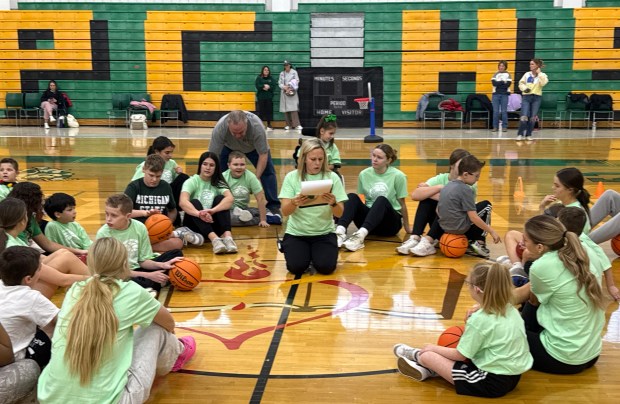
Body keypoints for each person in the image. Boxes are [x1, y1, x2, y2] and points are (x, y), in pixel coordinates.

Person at [37, 237, 197, 404]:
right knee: (156, 328)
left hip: (50, 398)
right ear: (124, 264)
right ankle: (177, 353)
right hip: (112, 401)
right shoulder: (132, 292)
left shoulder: (75, 290)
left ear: (90, 263)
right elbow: (169, 323)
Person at [394, 263, 532, 398]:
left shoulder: (479, 319)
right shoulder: (510, 309)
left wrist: (432, 348)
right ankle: (430, 370)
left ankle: (418, 356)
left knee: (428, 355)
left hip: (489, 381)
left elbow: (460, 355)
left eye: (468, 283)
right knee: (467, 348)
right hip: (514, 376)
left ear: (477, 289)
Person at [517, 215, 606, 374]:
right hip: (591, 353)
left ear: (539, 247)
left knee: (503, 332)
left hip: (562, 358)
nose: (522, 244)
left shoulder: (542, 266)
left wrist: (485, 306)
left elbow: (530, 300)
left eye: (526, 240)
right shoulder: (583, 249)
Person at [499, 167, 591, 278]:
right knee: (512, 235)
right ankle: (517, 265)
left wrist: (532, 245)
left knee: (527, 252)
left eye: (557, 186)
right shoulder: (563, 203)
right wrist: (542, 206)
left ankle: (520, 269)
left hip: (561, 251)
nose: (553, 188)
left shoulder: (573, 212)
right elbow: (541, 226)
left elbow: (560, 242)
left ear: (570, 190)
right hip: (551, 242)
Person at [278, 138, 347, 276]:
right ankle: (300, 252)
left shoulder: (332, 177)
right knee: (296, 268)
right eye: (313, 159)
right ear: (303, 158)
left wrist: (333, 203)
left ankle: (316, 255)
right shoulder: (292, 177)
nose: (317, 163)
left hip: (324, 233)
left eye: (320, 159)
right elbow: (285, 212)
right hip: (297, 234)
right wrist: (294, 202)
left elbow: (339, 214)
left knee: (326, 268)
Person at [410, 155, 500, 257]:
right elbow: (473, 217)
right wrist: (492, 232)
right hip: (459, 228)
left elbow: (438, 210)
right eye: (476, 176)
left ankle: (428, 240)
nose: (478, 179)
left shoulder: (446, 186)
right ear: (465, 174)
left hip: (444, 227)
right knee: (486, 205)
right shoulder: (466, 190)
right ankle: (480, 243)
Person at [96, 194, 183, 291]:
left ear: (128, 216)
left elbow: (143, 261)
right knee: (122, 282)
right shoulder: (103, 234)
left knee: (176, 254)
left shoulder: (140, 227)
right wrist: (149, 275)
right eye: (106, 214)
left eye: (114, 215)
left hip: (137, 269)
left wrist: (162, 265)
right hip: (118, 274)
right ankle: (158, 281)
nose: (108, 219)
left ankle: (155, 282)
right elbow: (112, 272)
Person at [336, 144, 410, 252]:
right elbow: (364, 200)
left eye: (379, 157)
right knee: (351, 197)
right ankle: (339, 232)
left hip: (389, 224)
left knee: (381, 200)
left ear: (388, 160)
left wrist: (407, 227)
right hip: (370, 223)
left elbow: (402, 204)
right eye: (373, 155)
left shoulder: (398, 176)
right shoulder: (364, 174)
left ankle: (360, 237)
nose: (374, 159)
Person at [397, 149, 473, 254]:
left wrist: (433, 193)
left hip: (456, 224)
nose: (464, 168)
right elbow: (415, 195)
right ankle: (415, 238)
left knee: (442, 202)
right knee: (426, 199)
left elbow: (461, 207)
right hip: (439, 222)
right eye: (461, 164)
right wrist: (439, 187)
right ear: (451, 165)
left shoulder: (470, 183)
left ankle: (429, 242)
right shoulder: (440, 179)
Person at [208, 110, 281, 218]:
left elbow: (263, 154)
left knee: (268, 172)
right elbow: (212, 156)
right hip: (228, 147)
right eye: (234, 133)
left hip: (253, 148)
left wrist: (255, 180)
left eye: (241, 132)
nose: (237, 136)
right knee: (220, 174)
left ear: (246, 124)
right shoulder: (220, 127)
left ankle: (273, 206)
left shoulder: (257, 127)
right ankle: (220, 203)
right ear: (228, 125)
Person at [125, 154, 203, 251]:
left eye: (158, 176)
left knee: (178, 244)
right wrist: (145, 213)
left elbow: (173, 210)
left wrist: (167, 225)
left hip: (157, 231)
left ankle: (143, 248)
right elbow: (124, 213)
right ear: (144, 169)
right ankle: (174, 235)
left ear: (162, 172)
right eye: (151, 175)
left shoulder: (165, 187)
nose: (154, 179)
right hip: (138, 230)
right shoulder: (133, 187)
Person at [0, 246, 58, 370]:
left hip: (4, 352)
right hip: (15, 360)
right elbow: (62, 319)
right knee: (52, 325)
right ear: (28, 279)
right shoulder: (31, 297)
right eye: (39, 270)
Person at [179, 152, 238, 254]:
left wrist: (212, 211)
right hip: (195, 226)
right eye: (205, 164)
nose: (208, 168)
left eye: (211, 165)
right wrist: (200, 214)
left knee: (221, 199)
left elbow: (230, 199)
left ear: (216, 168)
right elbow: (182, 202)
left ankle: (228, 238)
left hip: (212, 223)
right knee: (194, 202)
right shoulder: (192, 181)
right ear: (200, 165)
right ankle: (215, 240)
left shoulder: (218, 183)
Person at [556, 207, 619, 300]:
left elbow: (603, 257)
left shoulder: (583, 241)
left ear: (561, 225)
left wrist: (611, 286)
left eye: (557, 219)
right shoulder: (578, 237)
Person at [130, 136, 189, 211]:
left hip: (167, 194)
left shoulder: (172, 163)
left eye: (171, 152)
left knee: (184, 177)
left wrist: (179, 173)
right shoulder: (145, 165)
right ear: (157, 152)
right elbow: (134, 184)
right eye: (167, 153)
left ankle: (176, 207)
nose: (170, 156)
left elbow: (178, 184)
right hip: (150, 195)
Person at [223, 151, 270, 227]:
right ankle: (264, 216)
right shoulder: (223, 177)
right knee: (227, 220)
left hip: (244, 208)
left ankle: (259, 215)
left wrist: (263, 220)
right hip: (228, 209)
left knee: (255, 214)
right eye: (235, 164)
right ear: (229, 165)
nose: (239, 167)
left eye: (242, 164)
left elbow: (260, 199)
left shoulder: (251, 177)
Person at [517, 58, 548, 141]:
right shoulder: (527, 74)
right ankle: (520, 134)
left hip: (536, 98)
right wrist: (524, 88)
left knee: (533, 117)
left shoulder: (543, 75)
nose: (530, 66)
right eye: (530, 64)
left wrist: (539, 74)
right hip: (526, 97)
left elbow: (543, 83)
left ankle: (528, 134)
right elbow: (521, 83)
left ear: (537, 65)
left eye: (532, 64)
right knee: (524, 116)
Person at [279, 60, 302, 131]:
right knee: (286, 110)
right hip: (284, 92)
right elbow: (279, 83)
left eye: (287, 65)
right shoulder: (282, 73)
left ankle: (297, 125)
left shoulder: (294, 72)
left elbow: (297, 81)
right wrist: (284, 87)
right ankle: (288, 125)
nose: (286, 66)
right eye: (285, 65)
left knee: (293, 109)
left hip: (292, 92)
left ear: (290, 65)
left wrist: (290, 87)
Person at [491, 60, 512, 132]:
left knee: (504, 111)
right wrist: (503, 82)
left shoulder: (508, 74)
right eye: (500, 66)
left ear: (505, 67)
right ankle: (495, 127)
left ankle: (504, 126)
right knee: (495, 111)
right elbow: (494, 83)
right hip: (495, 94)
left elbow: (507, 85)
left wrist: (499, 83)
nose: (501, 67)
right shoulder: (495, 74)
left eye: (502, 66)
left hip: (504, 94)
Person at [255, 65, 276, 131]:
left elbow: (273, 86)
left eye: (267, 70)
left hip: (269, 98)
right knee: (261, 111)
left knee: (269, 111)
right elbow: (257, 85)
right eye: (265, 70)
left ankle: (269, 125)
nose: (266, 71)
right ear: (262, 71)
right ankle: (260, 125)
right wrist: (263, 86)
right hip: (261, 97)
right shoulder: (259, 78)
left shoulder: (271, 78)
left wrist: (269, 87)